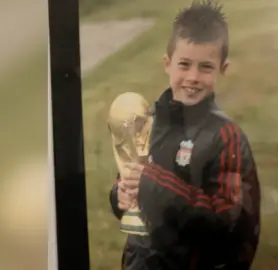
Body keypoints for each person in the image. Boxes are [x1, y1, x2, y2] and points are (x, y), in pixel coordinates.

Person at [109, 1, 261, 269]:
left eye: (206, 67)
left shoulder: (226, 137)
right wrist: (120, 195)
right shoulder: (148, 123)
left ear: (222, 69)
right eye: (184, 64)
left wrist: (154, 184)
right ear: (167, 64)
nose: (193, 77)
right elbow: (130, 179)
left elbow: (230, 224)